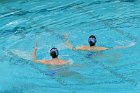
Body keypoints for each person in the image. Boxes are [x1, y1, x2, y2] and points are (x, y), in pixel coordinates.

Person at [64, 32, 131, 51]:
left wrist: (66, 39)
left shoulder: (82, 47)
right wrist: (127, 46)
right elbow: (114, 48)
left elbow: (71, 47)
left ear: (88, 41)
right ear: (96, 41)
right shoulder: (101, 48)